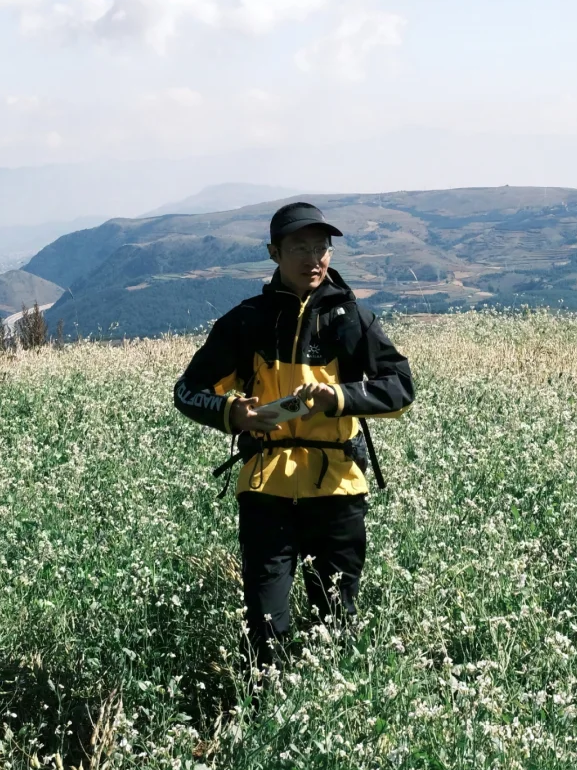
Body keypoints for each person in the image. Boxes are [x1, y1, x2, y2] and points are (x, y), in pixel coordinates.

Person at [173, 201, 415, 664]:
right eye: (300, 248)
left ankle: (330, 714)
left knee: (337, 623)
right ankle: (269, 718)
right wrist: (233, 414)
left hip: (339, 488)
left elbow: (401, 387)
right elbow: (187, 391)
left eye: (322, 247)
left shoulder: (352, 319)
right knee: (266, 627)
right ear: (274, 253)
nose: (314, 258)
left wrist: (339, 398)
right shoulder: (245, 322)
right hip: (267, 490)